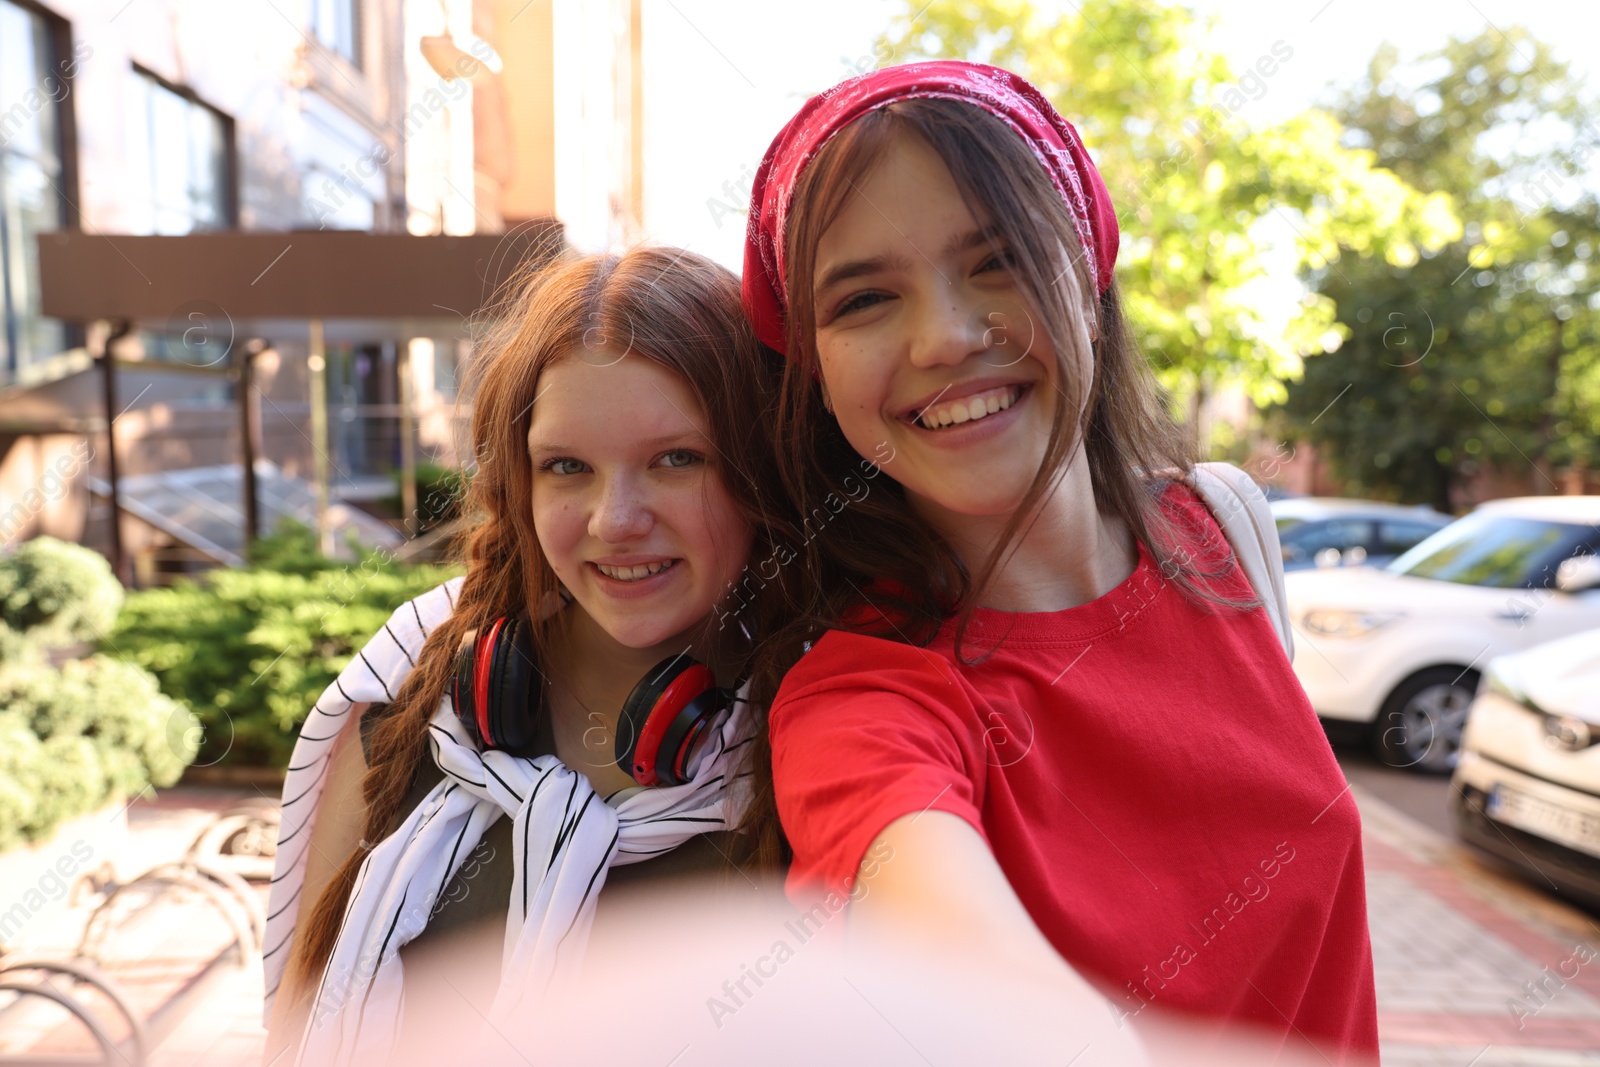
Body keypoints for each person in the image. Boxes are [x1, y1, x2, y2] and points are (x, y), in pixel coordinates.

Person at [740, 62, 1379, 1060]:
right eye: (864, 298)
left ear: (1087, 274)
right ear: (815, 373)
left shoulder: (1223, 526)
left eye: (995, 260)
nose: (945, 336)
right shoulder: (861, 704)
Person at [262, 247, 793, 1064]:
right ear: (522, 482)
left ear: (760, 468)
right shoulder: (408, 690)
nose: (616, 519)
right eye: (567, 466)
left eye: (676, 458)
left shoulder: (823, 733)